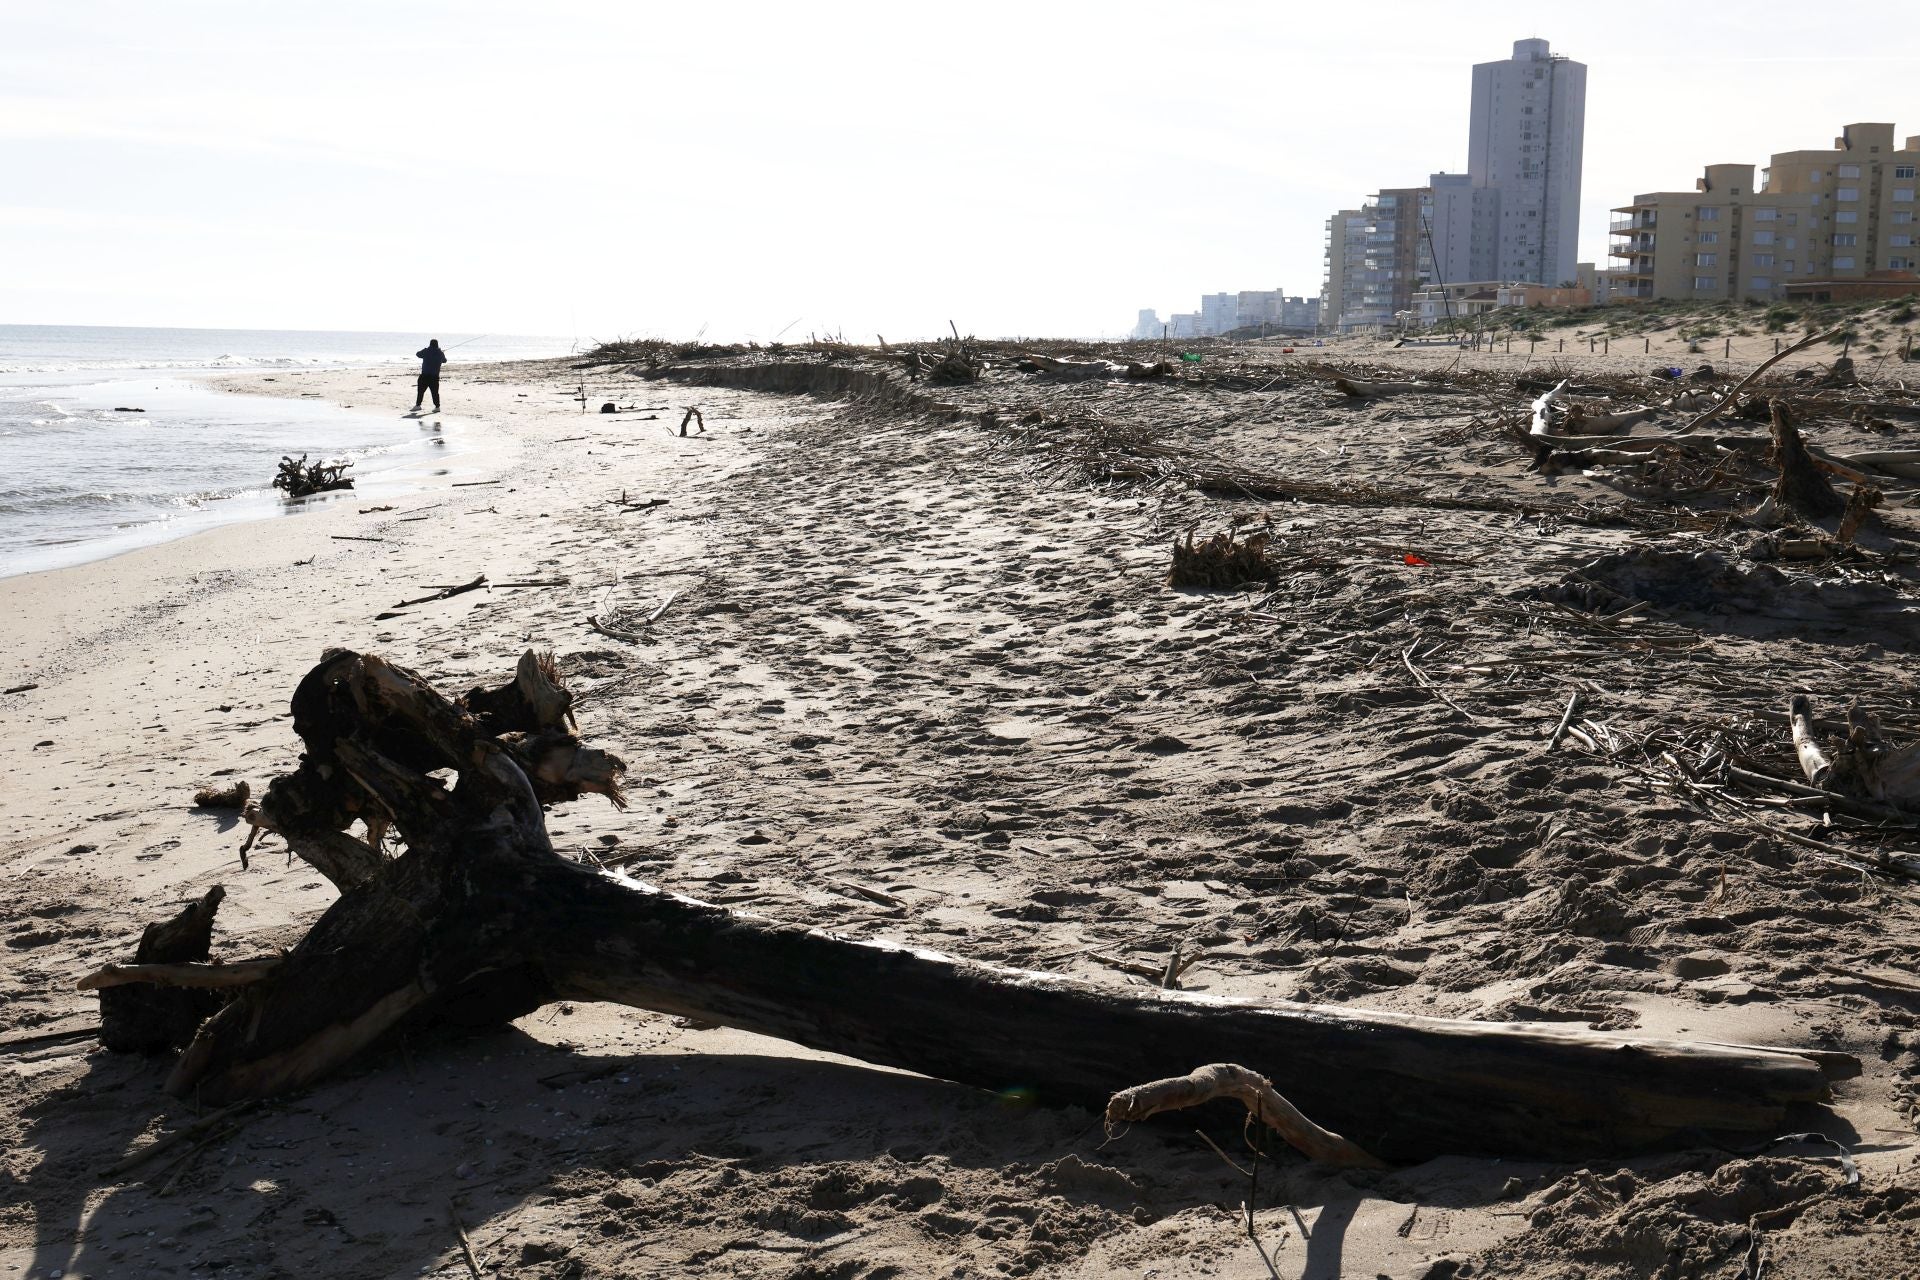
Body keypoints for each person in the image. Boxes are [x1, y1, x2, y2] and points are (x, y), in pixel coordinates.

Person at [413, 339, 448, 411]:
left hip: (425, 375)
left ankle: (418, 405)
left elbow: (418, 354)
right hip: (434, 376)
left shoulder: (426, 351)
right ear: (437, 344)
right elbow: (445, 360)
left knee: (420, 391)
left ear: (430, 344)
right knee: (435, 393)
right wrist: (441, 352)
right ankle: (437, 407)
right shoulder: (440, 353)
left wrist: (427, 349)